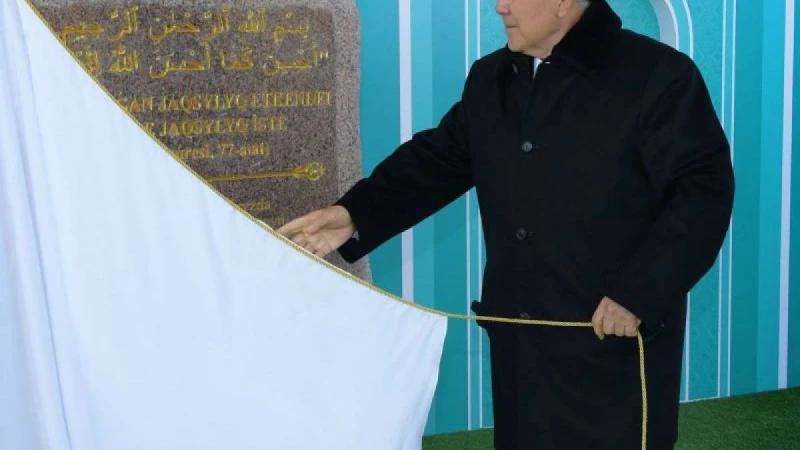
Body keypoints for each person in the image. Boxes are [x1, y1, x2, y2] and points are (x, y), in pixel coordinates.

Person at [277, 0, 735, 448]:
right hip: (520, 348)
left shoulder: (658, 75)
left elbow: (703, 193)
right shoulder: (491, 77)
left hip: (612, 346)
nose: (500, 7)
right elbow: (437, 160)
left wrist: (638, 294)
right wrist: (353, 214)